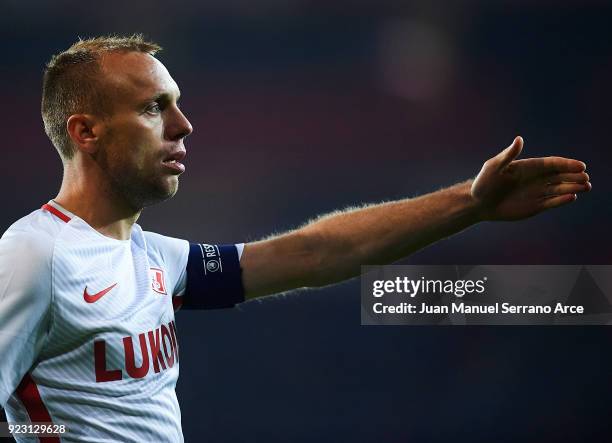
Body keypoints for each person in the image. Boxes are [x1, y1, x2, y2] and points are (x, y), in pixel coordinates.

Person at [0, 34, 591, 442]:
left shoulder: (152, 258)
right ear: (87, 131)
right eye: (155, 108)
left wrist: (471, 203)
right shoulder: (35, 255)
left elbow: (317, 252)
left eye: (178, 105)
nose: (184, 126)